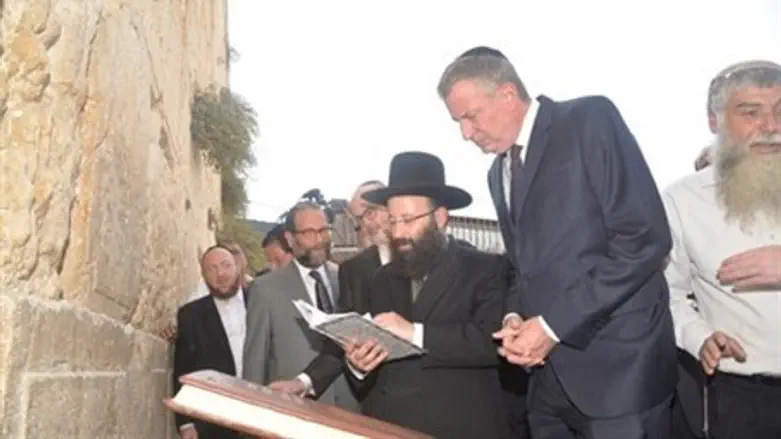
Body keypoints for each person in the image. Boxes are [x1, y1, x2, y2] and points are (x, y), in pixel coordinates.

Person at [437, 46, 677, 439]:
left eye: (470, 116)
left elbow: (644, 238)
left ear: (507, 94)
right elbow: (521, 268)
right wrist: (514, 317)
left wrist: (552, 326)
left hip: (619, 379)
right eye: (457, 122)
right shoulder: (498, 174)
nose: (465, 133)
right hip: (548, 385)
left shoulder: (588, 120)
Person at [344, 151, 509, 439]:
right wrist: (359, 365)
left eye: (408, 220)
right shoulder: (382, 279)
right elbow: (372, 376)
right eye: (393, 221)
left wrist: (415, 333)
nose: (399, 233)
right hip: (389, 428)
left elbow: (492, 343)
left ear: (441, 217)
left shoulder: (485, 269)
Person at [663, 59, 781, 439]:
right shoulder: (683, 200)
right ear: (714, 122)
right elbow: (669, 293)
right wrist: (699, 337)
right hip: (742, 399)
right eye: (750, 113)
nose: (771, 127)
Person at [268, 180, 391, 398]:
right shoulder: (354, 271)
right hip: (379, 405)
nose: (363, 226)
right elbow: (340, 341)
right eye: (359, 219)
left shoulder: (426, 254)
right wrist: (303, 382)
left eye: (368, 214)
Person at [242, 202, 358, 411]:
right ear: (289, 238)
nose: (319, 240)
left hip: (350, 413)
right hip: (295, 413)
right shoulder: (265, 289)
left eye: (324, 231)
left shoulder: (347, 278)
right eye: (308, 232)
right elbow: (254, 366)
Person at [172, 245, 249, 439]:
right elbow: (183, 369)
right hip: (214, 421)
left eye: (225, 266)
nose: (220, 274)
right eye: (211, 269)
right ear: (203, 275)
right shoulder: (190, 314)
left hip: (264, 413)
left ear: (237, 268)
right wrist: (185, 422)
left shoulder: (260, 301)